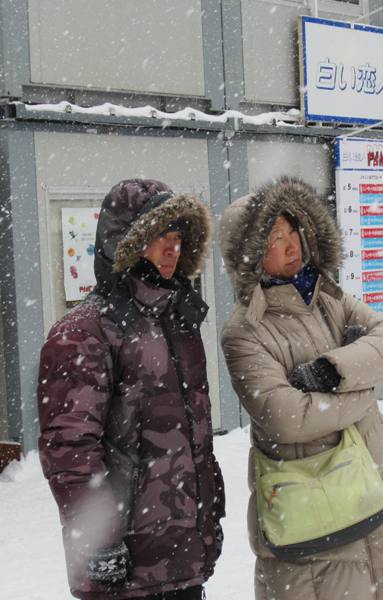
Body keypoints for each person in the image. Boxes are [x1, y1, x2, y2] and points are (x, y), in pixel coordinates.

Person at [219, 177, 383, 600]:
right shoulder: (245, 331)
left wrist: (331, 372)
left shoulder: (329, 298)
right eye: (275, 239)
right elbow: (285, 416)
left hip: (378, 484)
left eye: (293, 232)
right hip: (314, 507)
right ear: (249, 257)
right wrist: (363, 386)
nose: (291, 245)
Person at [37, 179, 225, 600]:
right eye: (160, 236)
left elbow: (195, 441)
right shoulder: (83, 333)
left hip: (180, 562)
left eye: (178, 238)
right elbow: (69, 448)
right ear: (126, 242)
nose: (172, 248)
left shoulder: (178, 322)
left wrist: (208, 520)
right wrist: (98, 539)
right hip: (121, 572)